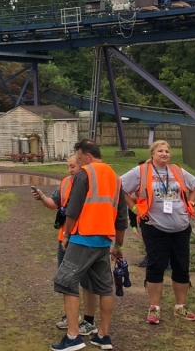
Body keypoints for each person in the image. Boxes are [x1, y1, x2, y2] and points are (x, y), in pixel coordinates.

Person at [51, 139, 127, 351]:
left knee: (66, 282)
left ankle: (73, 336)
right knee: (104, 288)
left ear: (87, 156)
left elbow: (73, 209)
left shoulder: (85, 173)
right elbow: (122, 218)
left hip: (83, 238)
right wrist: (118, 246)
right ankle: (103, 335)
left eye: (80, 157)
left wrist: (66, 233)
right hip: (104, 241)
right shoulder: (116, 178)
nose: (79, 161)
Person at [120, 140, 195, 325]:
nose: (164, 154)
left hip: (181, 227)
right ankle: (154, 308)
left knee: (182, 267)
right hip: (155, 227)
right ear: (152, 154)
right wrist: (134, 209)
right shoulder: (142, 171)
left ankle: (181, 307)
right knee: (156, 267)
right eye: (160, 151)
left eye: (167, 151)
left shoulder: (177, 171)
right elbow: (120, 187)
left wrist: (192, 203)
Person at [31, 155, 98, 335]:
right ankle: (71, 317)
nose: (70, 170)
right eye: (68, 166)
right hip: (65, 239)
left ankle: (89, 320)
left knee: (88, 282)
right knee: (66, 281)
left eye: (73, 166)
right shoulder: (66, 182)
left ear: (83, 166)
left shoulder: (92, 183)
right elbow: (54, 204)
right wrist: (42, 196)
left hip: (84, 238)